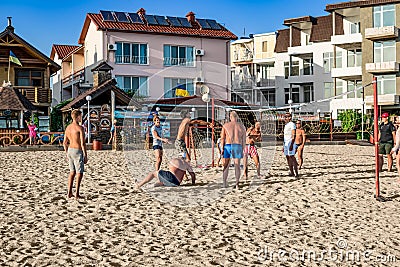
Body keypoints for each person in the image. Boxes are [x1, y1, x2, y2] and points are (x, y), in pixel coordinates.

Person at [63, 109, 88, 199]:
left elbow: (64, 142)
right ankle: (77, 193)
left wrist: (66, 153)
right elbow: (83, 143)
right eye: (81, 116)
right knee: (79, 173)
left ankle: (69, 192)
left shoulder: (68, 127)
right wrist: (85, 155)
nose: (81, 118)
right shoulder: (80, 128)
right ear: (77, 117)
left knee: (72, 172)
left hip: (70, 150)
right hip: (77, 150)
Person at [220, 111, 246, 189]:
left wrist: (222, 148)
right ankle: (237, 184)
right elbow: (244, 140)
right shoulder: (242, 127)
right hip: (237, 145)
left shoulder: (226, 125)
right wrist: (242, 149)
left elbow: (222, 138)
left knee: (226, 165)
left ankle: (224, 183)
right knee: (237, 166)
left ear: (230, 117)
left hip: (228, 145)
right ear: (237, 117)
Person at [283, 113, 299, 178]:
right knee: (288, 157)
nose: (285, 118)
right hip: (286, 143)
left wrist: (292, 144)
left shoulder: (292, 124)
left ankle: (296, 173)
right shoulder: (286, 125)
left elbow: (293, 134)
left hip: (290, 143)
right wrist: (283, 145)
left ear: (289, 117)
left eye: (286, 117)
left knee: (292, 157)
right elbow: (285, 136)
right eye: (284, 117)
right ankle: (291, 172)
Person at [391, 116, 400, 181]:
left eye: (397, 120)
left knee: (398, 163)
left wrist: (394, 149)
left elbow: (398, 142)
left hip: (399, 148)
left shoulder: (399, 131)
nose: (395, 122)